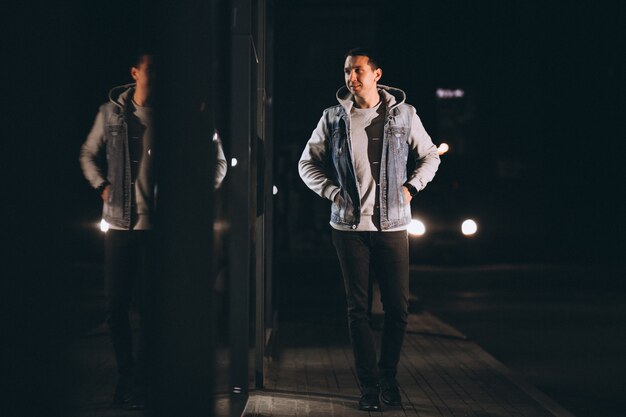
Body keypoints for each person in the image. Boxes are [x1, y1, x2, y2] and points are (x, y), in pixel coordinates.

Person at [298, 47, 440, 411]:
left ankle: (388, 377)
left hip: (393, 226)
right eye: (347, 71)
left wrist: (411, 187)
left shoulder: (403, 115)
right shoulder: (333, 118)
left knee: (397, 308)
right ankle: (369, 387)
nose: (351, 77)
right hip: (348, 228)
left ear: (376, 74)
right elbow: (307, 163)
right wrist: (332, 192)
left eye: (358, 70)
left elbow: (430, 155)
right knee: (357, 309)